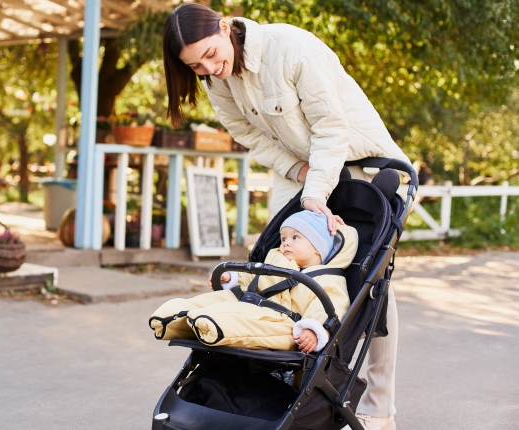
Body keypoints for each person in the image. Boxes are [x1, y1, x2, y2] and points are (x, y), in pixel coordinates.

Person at [162, 4, 407, 429]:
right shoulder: (215, 79)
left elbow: (332, 128)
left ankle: (378, 407)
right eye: (195, 66)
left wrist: (315, 193)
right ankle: (288, 391)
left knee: (366, 284)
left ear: (224, 25)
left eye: (210, 54)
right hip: (298, 166)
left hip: (358, 161)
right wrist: (299, 173)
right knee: (278, 261)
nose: (209, 69)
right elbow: (247, 133)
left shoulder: (289, 48)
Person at [149, 211, 357, 353]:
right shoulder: (275, 259)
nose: (285, 243)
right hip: (249, 301)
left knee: (241, 318)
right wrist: (231, 278)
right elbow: (253, 278)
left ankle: (208, 323)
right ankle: (173, 317)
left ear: (317, 248)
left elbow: (331, 307)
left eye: (295, 238)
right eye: (283, 238)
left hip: (283, 324)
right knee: (218, 299)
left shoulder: (327, 278)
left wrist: (314, 329)